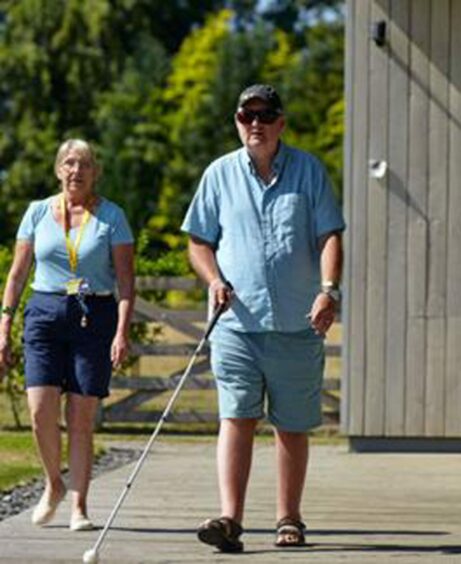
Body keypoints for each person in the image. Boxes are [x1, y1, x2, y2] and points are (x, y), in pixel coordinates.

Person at [181, 84, 345, 552]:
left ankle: (288, 519)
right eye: (246, 115)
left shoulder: (309, 171)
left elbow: (330, 235)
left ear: (280, 123)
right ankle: (229, 520)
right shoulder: (218, 174)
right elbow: (198, 241)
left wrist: (328, 291)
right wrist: (213, 278)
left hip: (298, 321)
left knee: (291, 425)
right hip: (235, 321)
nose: (255, 123)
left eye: (265, 115)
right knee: (237, 416)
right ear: (237, 121)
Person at [0, 139, 135, 531]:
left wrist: (122, 331)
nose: (77, 171)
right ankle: (54, 484)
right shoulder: (36, 213)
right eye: (70, 163)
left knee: (80, 418)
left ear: (96, 173)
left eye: (86, 165)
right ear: (59, 169)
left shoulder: (112, 217)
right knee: (40, 412)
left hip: (93, 316)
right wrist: (5, 323)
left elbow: (126, 282)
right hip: (43, 313)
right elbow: (17, 274)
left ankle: (79, 506)